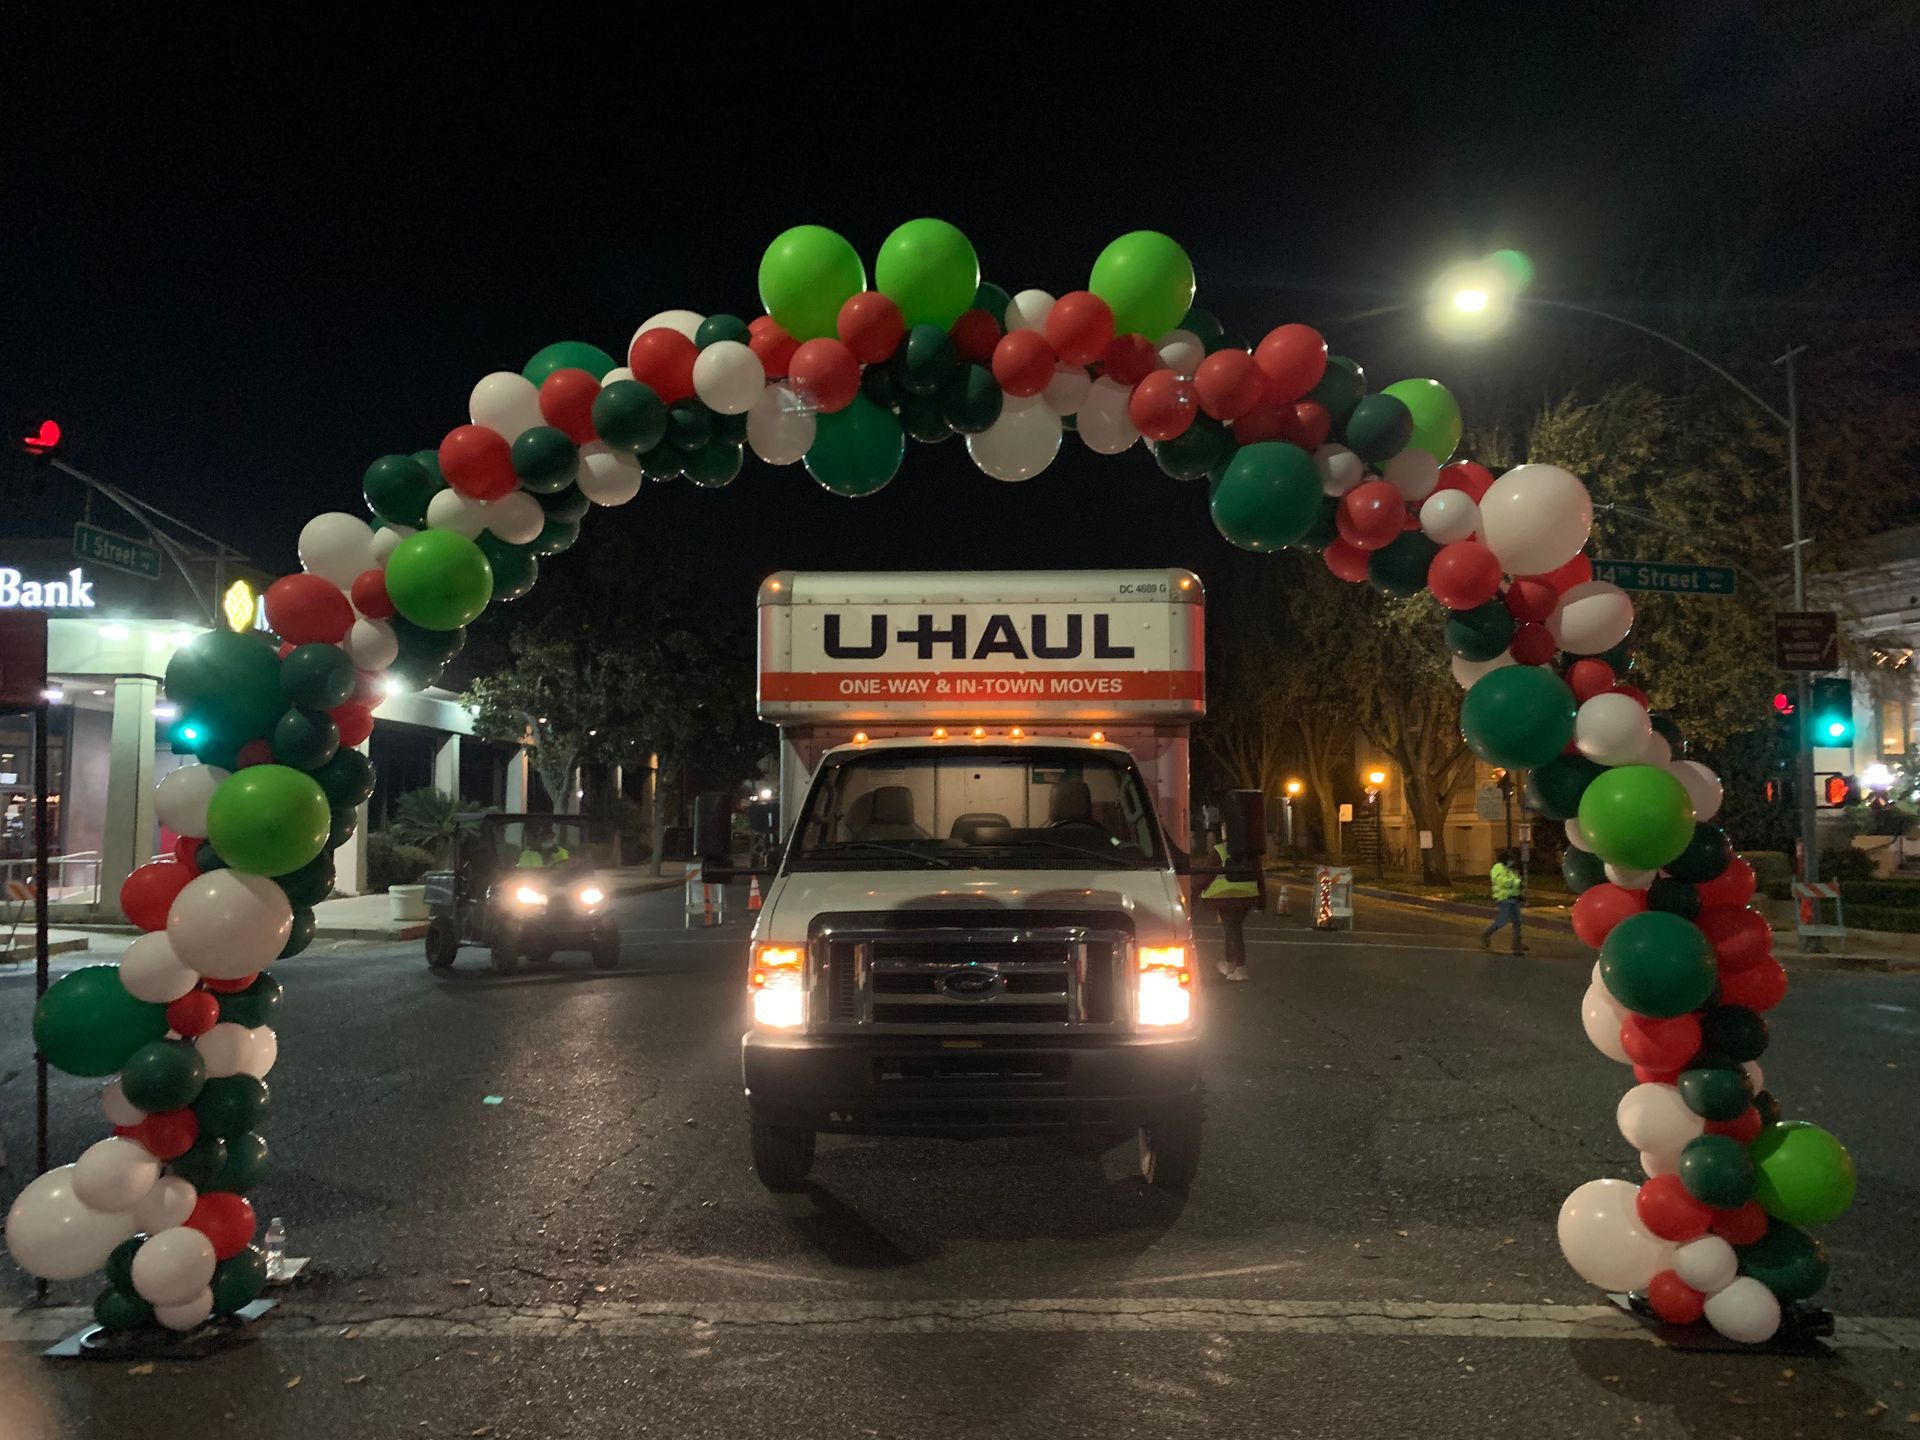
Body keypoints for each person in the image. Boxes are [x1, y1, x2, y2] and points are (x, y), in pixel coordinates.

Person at [1201, 836, 1265, 982]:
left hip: (1226, 898)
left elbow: (1207, 874)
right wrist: (1261, 901)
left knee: (1233, 930)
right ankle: (1229, 963)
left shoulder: (1219, 850)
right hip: (1247, 896)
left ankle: (1241, 968)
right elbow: (1259, 877)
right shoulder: (1251, 852)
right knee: (1231, 929)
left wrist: (1196, 893)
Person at [1481, 848, 1528, 954]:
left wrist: (1519, 893)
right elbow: (1502, 882)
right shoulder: (1498, 869)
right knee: (1502, 921)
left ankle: (1516, 943)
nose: (1513, 862)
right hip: (1504, 899)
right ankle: (1486, 934)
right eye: (1511, 860)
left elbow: (1514, 884)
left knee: (1517, 921)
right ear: (1506, 859)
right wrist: (1517, 882)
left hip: (1513, 898)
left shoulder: (1509, 869)